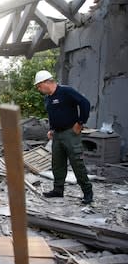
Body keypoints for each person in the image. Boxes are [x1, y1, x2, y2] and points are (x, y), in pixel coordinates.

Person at [34, 70, 93, 204]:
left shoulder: (66, 91)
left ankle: (88, 193)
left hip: (70, 133)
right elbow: (53, 115)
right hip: (57, 135)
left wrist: (80, 122)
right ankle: (58, 190)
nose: (39, 89)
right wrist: (51, 129)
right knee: (57, 164)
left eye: (39, 86)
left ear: (46, 82)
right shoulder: (48, 98)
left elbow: (85, 103)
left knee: (77, 163)